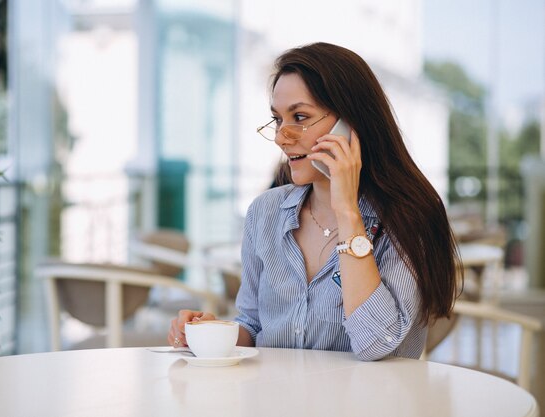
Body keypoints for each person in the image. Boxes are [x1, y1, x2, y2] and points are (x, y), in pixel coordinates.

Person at [168, 42, 460, 360]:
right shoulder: (264, 213)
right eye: (278, 120)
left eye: (300, 116)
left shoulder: (410, 216)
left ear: (351, 123)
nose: (282, 136)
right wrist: (212, 333)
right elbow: (252, 325)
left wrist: (347, 211)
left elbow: (376, 343)